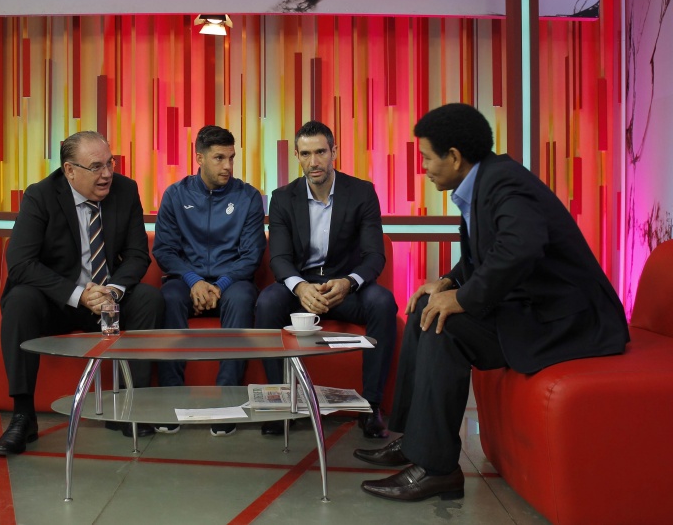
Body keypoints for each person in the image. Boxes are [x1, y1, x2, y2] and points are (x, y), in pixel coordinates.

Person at [356, 103, 630, 501]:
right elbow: (487, 252)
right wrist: (447, 282)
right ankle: (415, 440)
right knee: (423, 311)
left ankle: (437, 470)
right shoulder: (485, 180)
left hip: (565, 321)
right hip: (528, 307)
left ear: (454, 157)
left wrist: (462, 298)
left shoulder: (505, 183)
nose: (424, 168)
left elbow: (520, 248)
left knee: (444, 325)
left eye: (427, 158)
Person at [0, 131, 165, 456]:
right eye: (96, 167)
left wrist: (112, 291)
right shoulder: (41, 196)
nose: (107, 174)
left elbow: (137, 254)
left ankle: (130, 405)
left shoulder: (125, 190)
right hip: (59, 300)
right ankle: (23, 415)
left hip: (107, 300)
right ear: (70, 170)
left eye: (110, 163)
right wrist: (78, 294)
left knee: (149, 299)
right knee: (19, 301)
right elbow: (20, 263)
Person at [255, 120, 398, 438]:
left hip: (346, 288)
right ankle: (281, 405)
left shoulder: (362, 192)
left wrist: (349, 282)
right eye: (306, 154)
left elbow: (374, 255)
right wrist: (300, 287)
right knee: (266, 302)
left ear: (334, 151)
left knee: (383, 301)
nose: (314, 162)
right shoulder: (282, 197)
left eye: (320, 152)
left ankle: (372, 407)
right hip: (302, 288)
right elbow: (279, 258)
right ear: (296, 155)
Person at [152, 125, 266, 437]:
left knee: (242, 299)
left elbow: (252, 255)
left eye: (231, 158)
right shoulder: (175, 195)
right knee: (168, 298)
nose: (228, 166)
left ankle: (227, 400)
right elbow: (164, 250)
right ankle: (170, 397)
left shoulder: (248, 197)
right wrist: (194, 281)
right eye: (219, 158)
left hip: (233, 282)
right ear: (199, 158)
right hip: (185, 281)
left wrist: (220, 285)